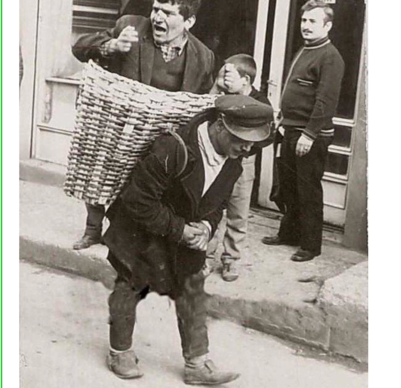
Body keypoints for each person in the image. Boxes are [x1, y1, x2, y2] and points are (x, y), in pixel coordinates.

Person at [103, 94, 274, 384]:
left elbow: (218, 204)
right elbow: (138, 200)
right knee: (129, 285)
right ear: (220, 126)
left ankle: (197, 364)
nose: (247, 148)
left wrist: (206, 227)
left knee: (192, 290)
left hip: (186, 234)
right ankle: (120, 351)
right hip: (140, 230)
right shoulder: (174, 147)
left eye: (252, 142)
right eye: (241, 139)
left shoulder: (234, 160)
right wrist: (180, 230)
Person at [71, 0, 216, 250]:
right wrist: (111, 46)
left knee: (143, 189)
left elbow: (202, 103)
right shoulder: (130, 26)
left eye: (168, 13)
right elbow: (79, 47)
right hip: (121, 127)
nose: (157, 17)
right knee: (100, 173)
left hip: (164, 137)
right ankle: (93, 229)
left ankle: (126, 236)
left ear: (189, 21)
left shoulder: (204, 56)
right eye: (155, 9)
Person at [262, 0, 345, 262]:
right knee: (290, 187)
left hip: (310, 135)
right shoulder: (306, 49)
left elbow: (325, 102)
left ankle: (311, 245)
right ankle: (289, 234)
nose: (306, 26)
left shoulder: (330, 57)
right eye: (304, 20)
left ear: (327, 26)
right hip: (291, 130)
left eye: (313, 21)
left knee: (308, 191)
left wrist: (309, 135)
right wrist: (283, 120)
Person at [203, 54, 272, 282]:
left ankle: (231, 259)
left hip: (243, 162)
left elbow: (268, 136)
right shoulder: (223, 96)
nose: (224, 78)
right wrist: (216, 86)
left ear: (245, 79)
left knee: (238, 213)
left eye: (228, 75)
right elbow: (203, 112)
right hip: (219, 159)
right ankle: (204, 257)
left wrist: (244, 148)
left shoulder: (260, 103)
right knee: (210, 207)